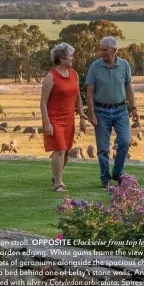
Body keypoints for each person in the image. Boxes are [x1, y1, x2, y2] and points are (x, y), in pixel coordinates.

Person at [85, 36, 139, 187]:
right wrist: (91, 112)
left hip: (121, 110)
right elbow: (89, 91)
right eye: (100, 49)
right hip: (101, 111)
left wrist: (133, 108)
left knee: (125, 141)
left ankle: (117, 173)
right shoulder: (95, 67)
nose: (100, 53)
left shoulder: (124, 65)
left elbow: (129, 87)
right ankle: (105, 178)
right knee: (103, 148)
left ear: (114, 50)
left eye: (104, 50)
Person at [40, 42, 86, 192]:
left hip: (69, 118)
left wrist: (82, 117)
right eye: (70, 56)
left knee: (66, 152)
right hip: (54, 118)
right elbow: (43, 102)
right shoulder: (50, 77)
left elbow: (78, 97)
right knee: (59, 149)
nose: (72, 59)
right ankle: (58, 183)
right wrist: (47, 123)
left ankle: (56, 175)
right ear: (61, 58)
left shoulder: (74, 74)